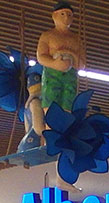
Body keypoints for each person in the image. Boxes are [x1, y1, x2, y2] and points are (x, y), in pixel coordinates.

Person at [19, 0, 82, 150]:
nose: (66, 17)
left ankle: (63, 137)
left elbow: (83, 63)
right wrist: (55, 63)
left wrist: (71, 55)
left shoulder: (76, 39)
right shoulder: (48, 35)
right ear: (54, 16)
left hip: (70, 76)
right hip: (52, 75)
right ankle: (50, 139)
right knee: (51, 103)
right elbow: (41, 57)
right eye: (62, 14)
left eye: (69, 14)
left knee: (67, 104)